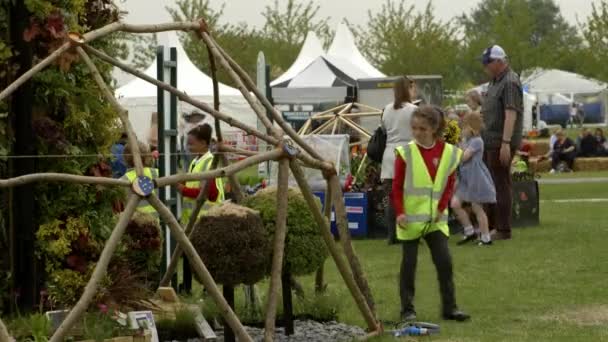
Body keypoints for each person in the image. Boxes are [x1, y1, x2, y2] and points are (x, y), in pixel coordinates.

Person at [392, 105, 469, 322]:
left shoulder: (449, 153)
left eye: (422, 129)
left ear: (434, 129)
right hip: (410, 221)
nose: (417, 133)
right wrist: (399, 213)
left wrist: (442, 208)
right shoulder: (405, 153)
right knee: (409, 266)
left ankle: (450, 308)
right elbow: (396, 187)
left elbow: (449, 183)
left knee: (445, 263)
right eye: (414, 128)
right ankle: (407, 310)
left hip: (436, 220)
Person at [480, 45, 523, 241]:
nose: (485, 67)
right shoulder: (494, 82)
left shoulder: (510, 82)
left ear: (499, 61)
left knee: (500, 183)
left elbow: (511, 113)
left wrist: (505, 142)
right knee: (491, 183)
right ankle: (488, 225)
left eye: (488, 63)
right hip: (489, 140)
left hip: (500, 141)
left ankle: (503, 229)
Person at [451, 112, 496, 246]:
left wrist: (458, 148)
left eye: (463, 128)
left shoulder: (477, 141)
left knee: (477, 208)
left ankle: (486, 237)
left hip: (475, 178)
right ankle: (469, 230)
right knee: (455, 204)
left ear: (471, 128)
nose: (461, 131)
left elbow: (464, 157)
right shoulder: (467, 141)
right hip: (465, 179)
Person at [381, 76, 417, 244]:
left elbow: (383, 129)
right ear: (407, 89)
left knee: (392, 198)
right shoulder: (413, 109)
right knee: (409, 197)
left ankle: (392, 235)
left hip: (389, 155)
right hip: (407, 154)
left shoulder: (387, 109)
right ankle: (409, 233)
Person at [177, 123, 224, 225]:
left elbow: (211, 194)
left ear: (203, 143)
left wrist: (183, 190)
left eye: (191, 144)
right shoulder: (195, 162)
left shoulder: (209, 162)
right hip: (194, 220)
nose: (188, 147)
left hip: (207, 220)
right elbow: (193, 183)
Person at [121, 141, 159, 219]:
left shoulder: (123, 180)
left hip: (135, 224)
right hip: (157, 220)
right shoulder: (157, 173)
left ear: (125, 158)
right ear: (146, 156)